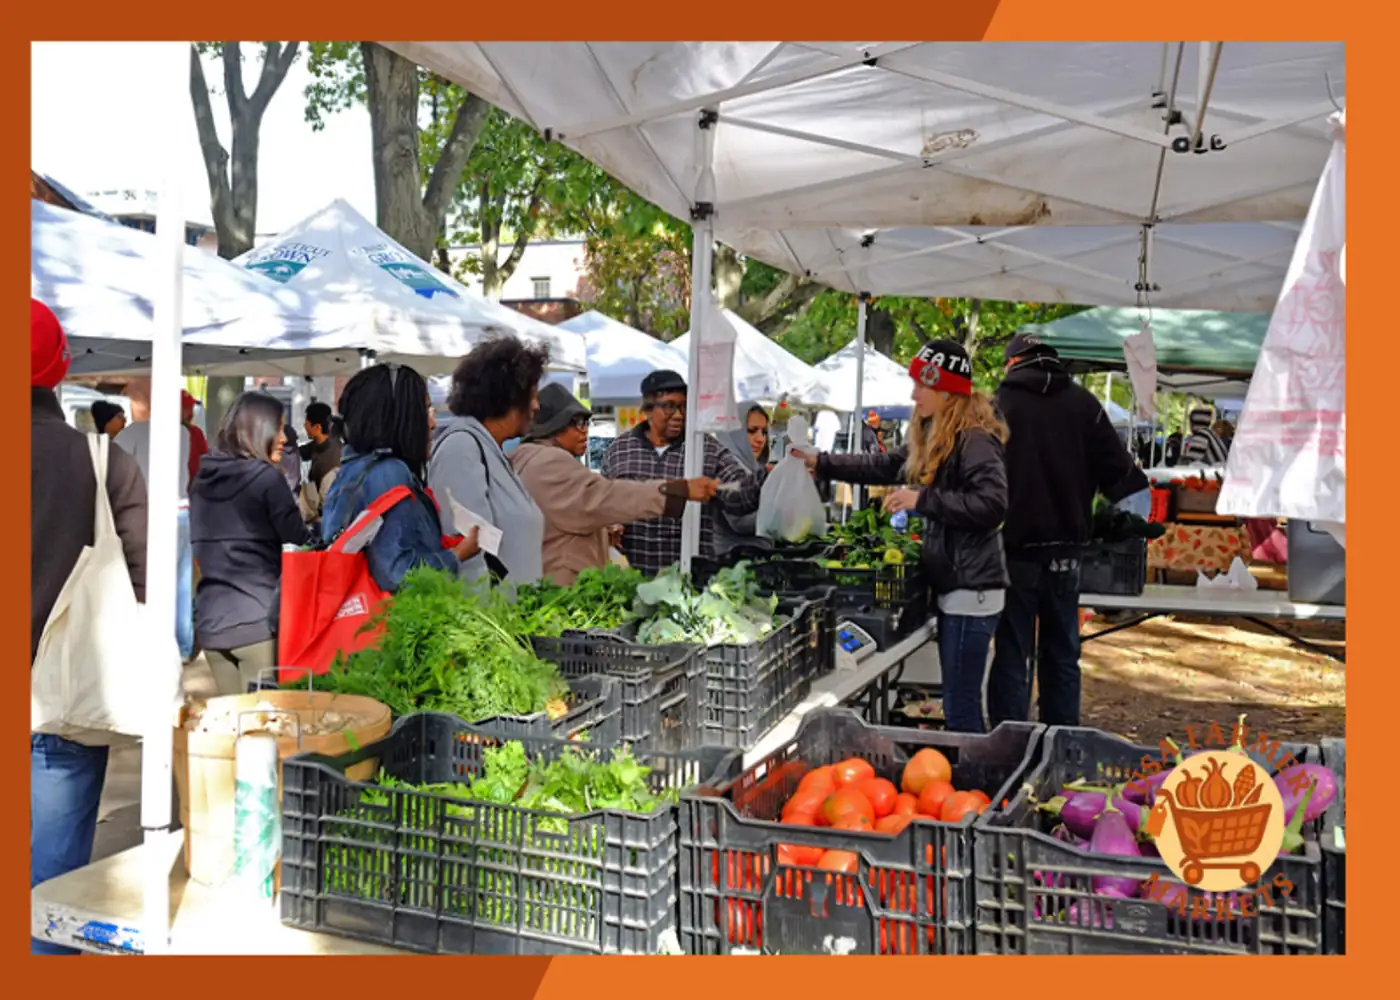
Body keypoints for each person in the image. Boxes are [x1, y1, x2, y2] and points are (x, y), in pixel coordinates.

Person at [794, 340, 1009, 733]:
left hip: (973, 590)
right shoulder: (935, 436)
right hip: (957, 587)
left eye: (920, 386)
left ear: (946, 391)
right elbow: (882, 465)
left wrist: (922, 499)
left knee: (961, 709)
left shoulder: (975, 440)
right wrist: (821, 461)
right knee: (958, 705)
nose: (913, 394)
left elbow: (993, 505)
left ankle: (979, 790)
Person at [30, 299, 148, 955]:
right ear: (59, 369)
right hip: (68, 709)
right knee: (51, 903)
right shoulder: (106, 465)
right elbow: (143, 583)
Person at [987, 333, 1148, 729]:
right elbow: (1125, 480)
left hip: (1013, 551)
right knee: (1062, 653)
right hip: (1068, 554)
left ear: (1012, 363)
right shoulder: (1084, 405)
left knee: (1012, 651)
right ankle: (1062, 741)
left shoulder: (999, 407)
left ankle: (1011, 746)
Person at [511, 383, 719, 585]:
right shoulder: (548, 461)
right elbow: (604, 496)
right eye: (578, 423)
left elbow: (569, 513)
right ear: (555, 428)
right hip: (562, 587)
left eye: (586, 423)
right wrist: (678, 491)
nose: (585, 431)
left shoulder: (526, 458)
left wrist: (602, 530)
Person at [189, 393, 314, 695]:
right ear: (258, 430)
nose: (284, 438)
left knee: (236, 733)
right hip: (257, 622)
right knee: (265, 732)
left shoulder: (202, 479)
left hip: (211, 625)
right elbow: (298, 536)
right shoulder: (266, 479)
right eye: (279, 428)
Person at [323, 364, 480, 595]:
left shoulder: (353, 470)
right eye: (425, 410)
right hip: (389, 626)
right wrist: (457, 555)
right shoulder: (389, 474)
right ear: (399, 417)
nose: (433, 424)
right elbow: (397, 574)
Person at [602, 370, 768, 575]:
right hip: (632, 578)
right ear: (648, 408)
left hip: (691, 579)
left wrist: (766, 478)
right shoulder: (619, 450)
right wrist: (608, 527)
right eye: (670, 406)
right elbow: (602, 503)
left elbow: (739, 496)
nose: (679, 415)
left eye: (683, 407)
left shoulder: (706, 448)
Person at [428, 337, 549, 586]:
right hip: (492, 620)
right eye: (533, 395)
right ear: (510, 397)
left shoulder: (488, 448)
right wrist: (489, 623)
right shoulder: (461, 448)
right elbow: (470, 552)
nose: (536, 406)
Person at [115, 395, 195, 661]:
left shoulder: (134, 432)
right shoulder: (183, 433)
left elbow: (113, 462)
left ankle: (157, 645)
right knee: (182, 583)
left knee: (151, 581)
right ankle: (183, 646)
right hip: (182, 511)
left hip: (152, 512)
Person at [298, 401, 342, 526]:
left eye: (306, 423)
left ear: (317, 427)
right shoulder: (319, 444)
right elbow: (302, 452)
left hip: (326, 513)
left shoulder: (332, 457)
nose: (304, 426)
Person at [183, 390, 209, 484]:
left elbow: (205, 458)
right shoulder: (163, 433)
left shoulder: (196, 432)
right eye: (187, 408)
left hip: (194, 487)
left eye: (191, 407)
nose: (191, 411)